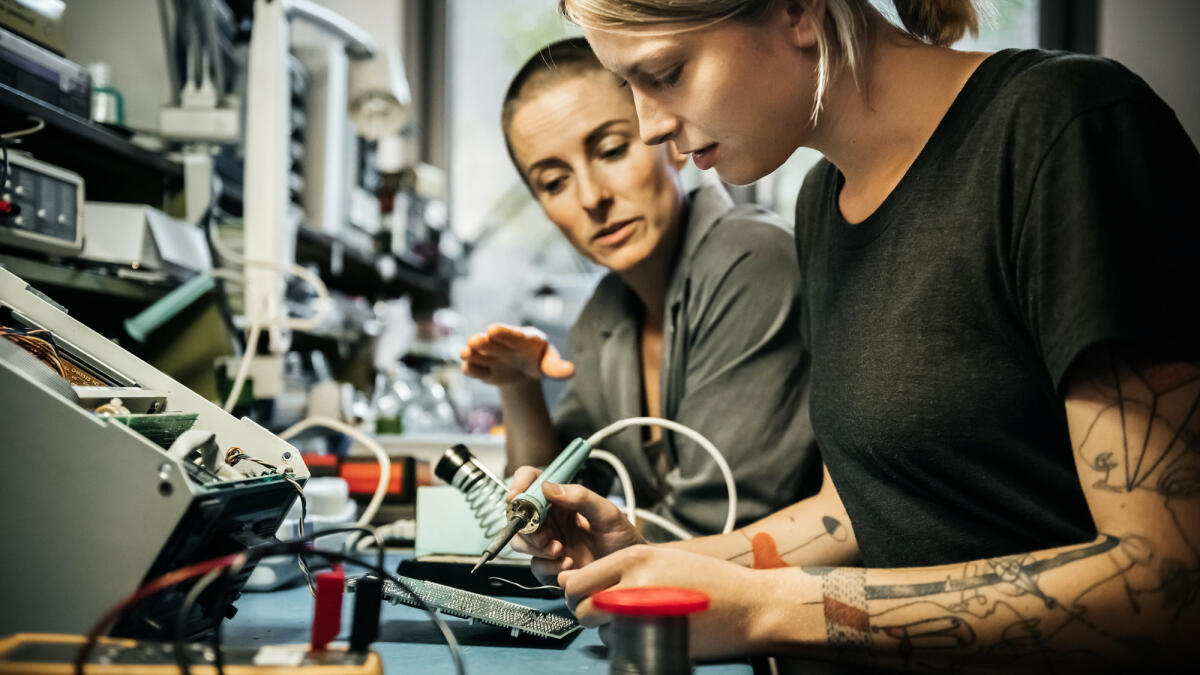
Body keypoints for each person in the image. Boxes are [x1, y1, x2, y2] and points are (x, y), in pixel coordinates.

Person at [507, 0, 1200, 670]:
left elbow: (1169, 585)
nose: (651, 125)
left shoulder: (1064, 128)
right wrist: (653, 561)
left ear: (799, 11)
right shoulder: (823, 202)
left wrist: (769, 608)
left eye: (665, 74)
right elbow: (851, 515)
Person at [460, 38, 821, 538]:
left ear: (668, 138)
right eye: (554, 182)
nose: (591, 198)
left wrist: (580, 544)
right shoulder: (604, 315)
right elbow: (541, 508)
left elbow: (718, 527)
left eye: (610, 150)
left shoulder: (752, 259)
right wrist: (519, 387)